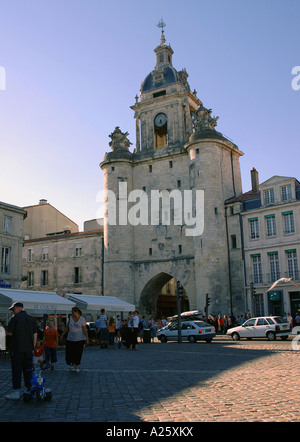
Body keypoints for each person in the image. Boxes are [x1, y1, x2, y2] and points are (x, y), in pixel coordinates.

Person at [5, 301, 37, 400]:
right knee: (28, 370)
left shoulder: (15, 318)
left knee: (17, 370)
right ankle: (29, 389)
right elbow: (35, 334)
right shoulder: (31, 318)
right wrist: (33, 347)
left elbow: (10, 333)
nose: (13, 312)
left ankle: (17, 391)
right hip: (28, 349)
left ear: (18, 308)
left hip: (17, 348)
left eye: (13, 309)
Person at [60, 307, 88, 373]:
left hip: (80, 339)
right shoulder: (70, 319)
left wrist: (87, 338)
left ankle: (77, 366)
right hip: (70, 338)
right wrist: (62, 335)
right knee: (70, 352)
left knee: (78, 353)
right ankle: (72, 364)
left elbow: (84, 329)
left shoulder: (82, 319)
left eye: (73, 312)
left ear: (77, 312)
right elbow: (67, 328)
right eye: (72, 312)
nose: (72, 313)